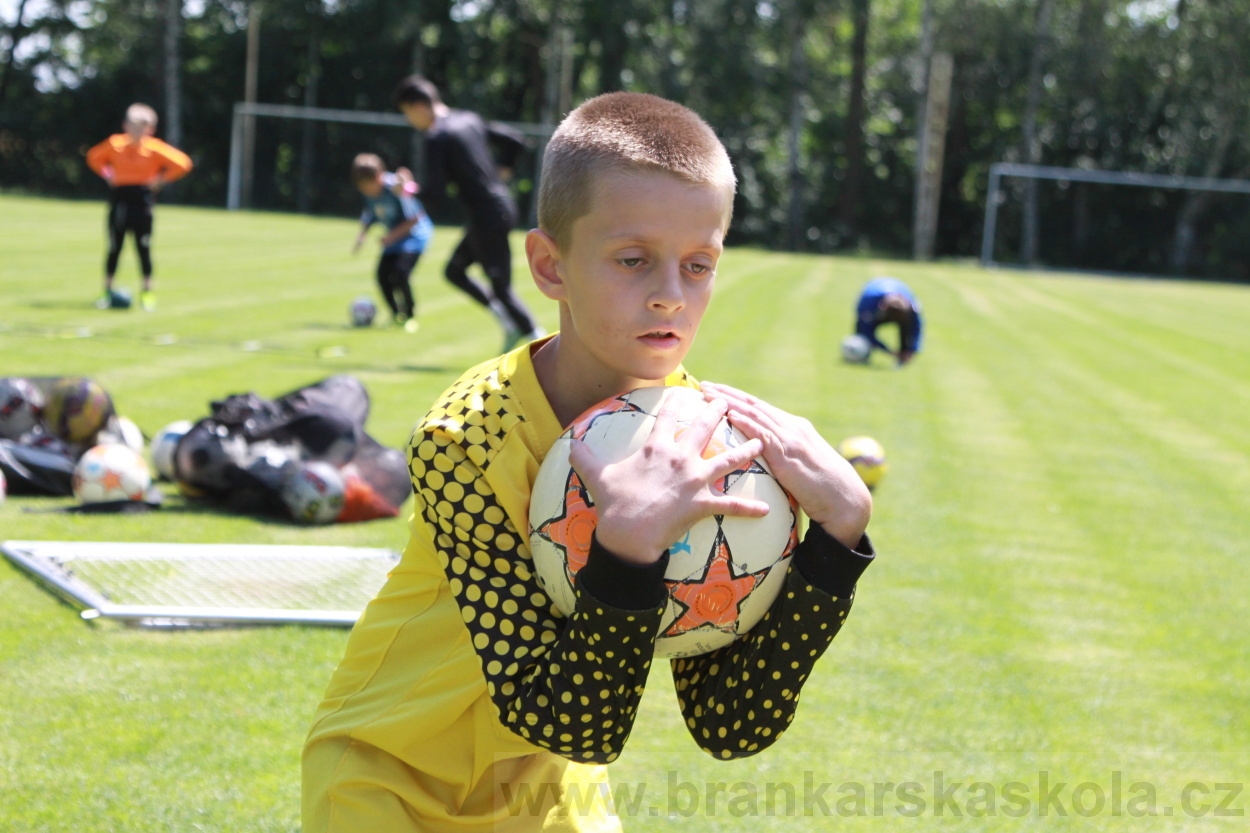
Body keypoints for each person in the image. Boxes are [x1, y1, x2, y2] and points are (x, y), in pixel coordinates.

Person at [302, 92, 877, 833]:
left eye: (698, 265)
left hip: (550, 797)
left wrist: (836, 540)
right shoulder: (463, 439)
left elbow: (731, 722)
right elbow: (561, 716)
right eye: (633, 260)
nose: (670, 296)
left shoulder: (706, 444)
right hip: (389, 778)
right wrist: (627, 544)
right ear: (550, 265)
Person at [393, 75, 545, 351]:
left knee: (502, 290)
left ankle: (540, 342)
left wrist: (408, 189)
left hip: (488, 216)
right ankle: (510, 326)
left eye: (407, 113)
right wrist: (505, 169)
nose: (409, 121)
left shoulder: (436, 135)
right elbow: (516, 141)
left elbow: (434, 194)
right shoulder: (469, 119)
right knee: (454, 271)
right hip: (494, 210)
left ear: (418, 106)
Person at [85, 103, 193, 312]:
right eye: (133, 125)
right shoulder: (115, 144)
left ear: (150, 129)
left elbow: (183, 163)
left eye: (142, 126)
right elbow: (93, 158)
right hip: (120, 199)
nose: (137, 130)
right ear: (126, 125)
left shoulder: (154, 148)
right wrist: (108, 175)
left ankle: (147, 293)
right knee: (114, 246)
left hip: (142, 201)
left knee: (143, 247)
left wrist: (160, 180)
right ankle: (106, 291)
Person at [350, 153, 434, 333]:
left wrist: (390, 237)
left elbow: (415, 218)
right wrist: (362, 235)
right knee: (382, 276)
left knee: (400, 274)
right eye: (362, 188)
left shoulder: (395, 188)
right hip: (395, 238)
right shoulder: (369, 193)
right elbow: (371, 213)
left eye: (368, 187)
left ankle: (410, 317)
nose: (367, 192)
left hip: (415, 236)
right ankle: (396, 315)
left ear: (378, 177)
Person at [854, 276, 923, 366]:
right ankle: (861, 354)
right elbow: (866, 331)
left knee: (907, 326)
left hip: (900, 297)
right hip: (873, 303)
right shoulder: (868, 302)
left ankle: (903, 357)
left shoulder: (912, 308)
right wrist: (887, 351)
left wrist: (912, 349)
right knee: (862, 335)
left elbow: (916, 328)